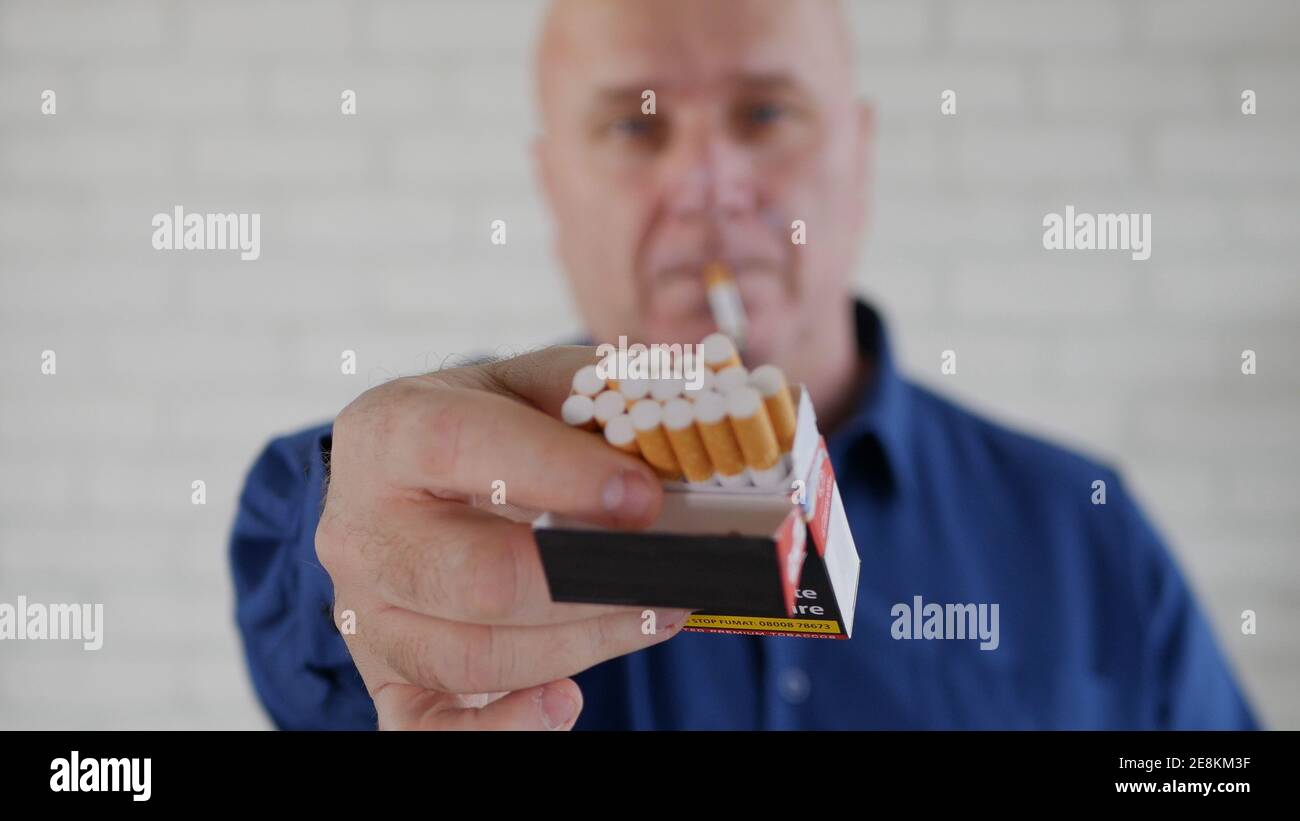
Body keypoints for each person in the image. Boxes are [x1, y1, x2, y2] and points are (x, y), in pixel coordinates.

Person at [230, 0, 1257, 730]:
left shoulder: (1080, 526)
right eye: (635, 124)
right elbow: (314, 633)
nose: (708, 183)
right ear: (552, 187)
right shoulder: (468, 505)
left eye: (765, 114)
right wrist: (351, 536)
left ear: (857, 160)